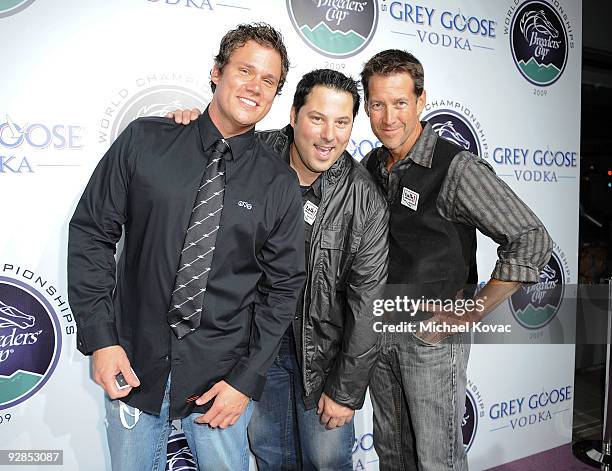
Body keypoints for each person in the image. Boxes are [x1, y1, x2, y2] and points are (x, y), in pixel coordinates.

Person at [67, 23, 306, 471]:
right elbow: (92, 232)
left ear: (276, 95)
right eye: (245, 70)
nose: (256, 87)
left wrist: (246, 381)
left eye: (269, 80)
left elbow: (284, 289)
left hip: (221, 384)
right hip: (133, 365)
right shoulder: (145, 140)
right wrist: (101, 339)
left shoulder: (278, 182)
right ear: (216, 72)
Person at [169, 68, 388, 470]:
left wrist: (346, 390)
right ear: (293, 116)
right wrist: (188, 127)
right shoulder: (253, 154)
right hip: (256, 346)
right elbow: (202, 159)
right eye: (317, 118)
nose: (328, 135)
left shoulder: (364, 198)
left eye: (341, 123)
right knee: (271, 454)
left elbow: (368, 304)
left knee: (326, 461)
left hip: (324, 358)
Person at [359, 49, 553, 471]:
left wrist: (471, 312)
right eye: (377, 104)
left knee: (437, 460)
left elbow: (531, 238)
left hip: (430, 339)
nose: (388, 117)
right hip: (379, 333)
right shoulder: (370, 166)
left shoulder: (456, 168)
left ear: (422, 101)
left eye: (400, 103)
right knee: (392, 455)